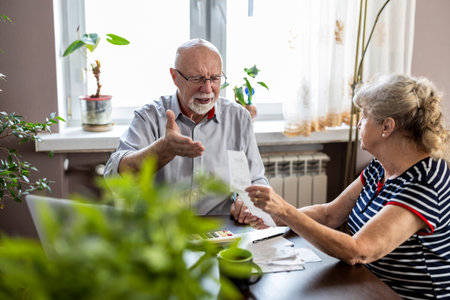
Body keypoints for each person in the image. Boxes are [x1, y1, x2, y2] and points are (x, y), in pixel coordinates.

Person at [246, 74, 450, 299]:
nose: (359, 122)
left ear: (387, 127)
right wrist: (268, 219)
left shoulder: (425, 181)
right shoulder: (381, 166)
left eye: (364, 115)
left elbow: (359, 250)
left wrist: (284, 210)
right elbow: (329, 214)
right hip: (369, 284)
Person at [104, 38, 268, 222]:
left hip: (222, 231)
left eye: (214, 78)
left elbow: (256, 180)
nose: (207, 89)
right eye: (196, 78)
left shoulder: (238, 118)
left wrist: (248, 202)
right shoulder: (149, 117)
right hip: (162, 231)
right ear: (175, 77)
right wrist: (164, 149)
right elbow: (114, 176)